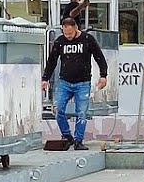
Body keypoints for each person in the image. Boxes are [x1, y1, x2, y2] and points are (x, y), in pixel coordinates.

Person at [42, 17, 109, 150]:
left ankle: (79, 140)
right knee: (58, 109)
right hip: (65, 82)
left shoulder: (87, 39)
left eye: (70, 34)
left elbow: (99, 57)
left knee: (81, 112)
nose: (68, 37)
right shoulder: (60, 42)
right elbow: (52, 62)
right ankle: (67, 135)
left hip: (83, 83)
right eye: (65, 34)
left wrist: (103, 75)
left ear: (76, 28)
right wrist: (45, 78)